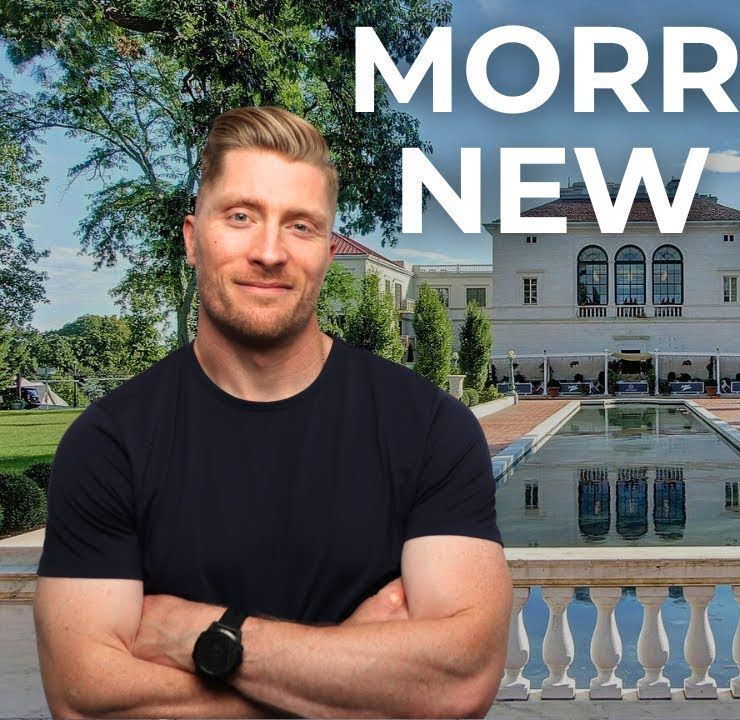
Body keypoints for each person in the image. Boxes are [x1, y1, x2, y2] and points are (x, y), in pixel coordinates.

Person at [33, 107, 511, 718]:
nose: (269, 252)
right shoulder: (107, 445)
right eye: (241, 216)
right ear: (191, 236)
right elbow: (87, 700)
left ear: (327, 251)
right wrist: (359, 677)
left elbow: (460, 681)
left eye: (301, 227)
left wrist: (202, 637)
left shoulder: (430, 429)